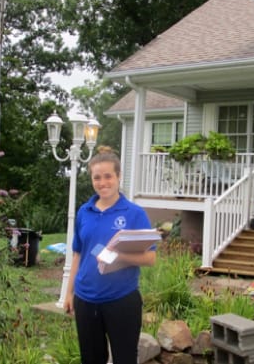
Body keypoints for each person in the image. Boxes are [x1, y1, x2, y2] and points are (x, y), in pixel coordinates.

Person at [63, 146, 157, 364]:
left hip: (121, 300)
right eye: (97, 177)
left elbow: (150, 258)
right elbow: (78, 254)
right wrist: (70, 293)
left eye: (108, 176)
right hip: (86, 300)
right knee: (91, 359)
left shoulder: (134, 213)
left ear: (118, 177)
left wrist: (118, 257)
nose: (102, 182)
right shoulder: (84, 212)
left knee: (124, 359)